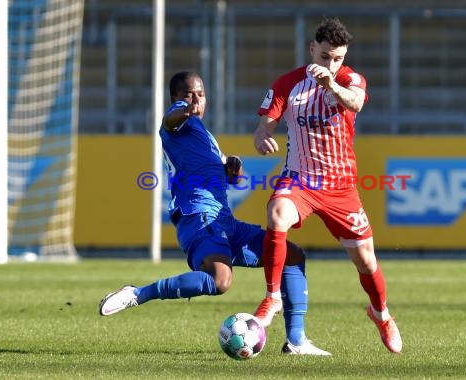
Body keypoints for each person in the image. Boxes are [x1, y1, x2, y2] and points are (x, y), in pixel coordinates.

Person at [99, 71, 330, 356]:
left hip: (224, 222)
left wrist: (233, 166)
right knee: (220, 281)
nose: (196, 99)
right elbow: (169, 120)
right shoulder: (177, 125)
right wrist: (183, 110)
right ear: (175, 99)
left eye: (201, 94)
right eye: (188, 94)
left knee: (292, 256)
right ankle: (137, 293)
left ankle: (296, 341)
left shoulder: (206, 136)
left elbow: (232, 177)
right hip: (199, 218)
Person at [252, 18, 403, 353]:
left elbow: (357, 102)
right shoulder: (287, 83)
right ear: (312, 50)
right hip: (300, 180)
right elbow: (264, 127)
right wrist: (262, 139)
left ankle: (381, 314)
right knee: (277, 214)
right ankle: (272, 298)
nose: (330, 64)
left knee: (366, 261)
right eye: (324, 57)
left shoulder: (350, 79)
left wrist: (332, 85)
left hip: (340, 187)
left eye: (337, 58)